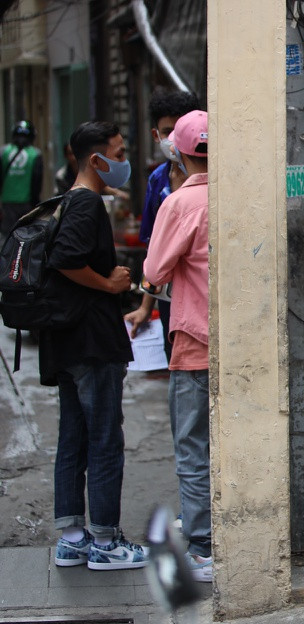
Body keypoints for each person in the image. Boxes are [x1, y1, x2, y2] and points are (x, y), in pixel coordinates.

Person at [45, 120, 147, 570]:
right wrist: (109, 284)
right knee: (105, 439)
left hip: (67, 341)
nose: (123, 163)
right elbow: (65, 259)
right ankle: (106, 542)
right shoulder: (86, 205)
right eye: (119, 155)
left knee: (74, 437)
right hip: (92, 341)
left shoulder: (63, 203)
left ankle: (73, 537)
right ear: (96, 160)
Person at [142, 110, 213, 583]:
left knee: (192, 446)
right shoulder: (243, 194)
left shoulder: (179, 205)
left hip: (194, 343)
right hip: (247, 344)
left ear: (181, 154)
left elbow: (152, 273)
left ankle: (204, 548)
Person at [125, 89, 201, 360]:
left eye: (181, 129)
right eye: (168, 131)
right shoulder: (158, 180)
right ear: (155, 135)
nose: (175, 139)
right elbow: (154, 253)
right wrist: (147, 305)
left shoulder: (215, 176)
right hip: (172, 300)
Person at [1, 120, 43, 236]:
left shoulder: (4, 152)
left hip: (7, 203)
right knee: (25, 235)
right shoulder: (35, 154)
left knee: (7, 236)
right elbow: (37, 183)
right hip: (27, 203)